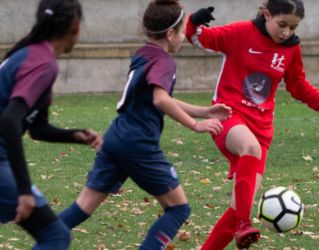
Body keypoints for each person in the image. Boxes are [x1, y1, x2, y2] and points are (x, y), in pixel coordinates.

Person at [58, 0, 232, 249]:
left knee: (83, 207)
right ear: (170, 34)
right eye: (183, 31)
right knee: (179, 209)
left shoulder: (142, 53)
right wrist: (195, 125)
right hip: (137, 142)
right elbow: (160, 99)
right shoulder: (164, 61)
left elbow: (160, 97)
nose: (184, 37)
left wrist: (204, 111)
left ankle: (44, 239)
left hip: (116, 136)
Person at [186, 0, 319, 249]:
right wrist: (193, 21)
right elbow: (198, 38)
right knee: (249, 150)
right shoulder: (240, 32)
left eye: (293, 28)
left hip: (261, 130)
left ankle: (235, 226)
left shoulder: (291, 49)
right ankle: (245, 223)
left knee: (235, 209)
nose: (286, 32)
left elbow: (298, 86)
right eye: (282, 24)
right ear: (266, 15)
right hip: (228, 115)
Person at [0, 0, 102, 249]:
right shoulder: (43, 63)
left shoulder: (30, 53)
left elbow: (37, 128)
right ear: (75, 27)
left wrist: (74, 135)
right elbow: (10, 120)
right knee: (56, 236)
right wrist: (24, 191)